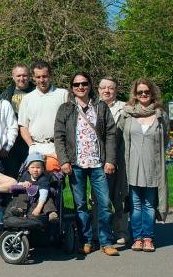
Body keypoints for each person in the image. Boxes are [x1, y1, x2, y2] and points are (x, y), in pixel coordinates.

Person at [54, 72, 119, 256]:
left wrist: (110, 160)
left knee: (105, 204)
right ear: (72, 88)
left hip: (99, 163)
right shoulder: (65, 109)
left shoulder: (100, 107)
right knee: (80, 205)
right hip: (76, 164)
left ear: (90, 86)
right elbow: (59, 137)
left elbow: (111, 134)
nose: (80, 87)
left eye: (84, 84)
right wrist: (64, 160)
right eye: (76, 85)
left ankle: (106, 241)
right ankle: (86, 240)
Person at [119, 78, 169, 252]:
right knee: (135, 204)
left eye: (146, 92)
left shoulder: (160, 115)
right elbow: (121, 138)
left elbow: (165, 139)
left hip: (152, 167)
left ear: (152, 93)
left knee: (149, 204)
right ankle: (137, 238)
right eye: (140, 92)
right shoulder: (128, 114)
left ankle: (148, 237)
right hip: (132, 167)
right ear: (135, 94)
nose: (143, 95)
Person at [91, 77, 128, 245]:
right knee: (98, 198)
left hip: (120, 158)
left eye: (110, 88)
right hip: (97, 159)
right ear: (98, 90)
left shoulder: (125, 109)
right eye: (103, 87)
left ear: (116, 90)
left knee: (118, 195)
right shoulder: (91, 107)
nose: (106, 91)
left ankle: (120, 230)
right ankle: (99, 231)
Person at [18, 60, 68, 170]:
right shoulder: (27, 99)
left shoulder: (63, 94)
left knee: (56, 183)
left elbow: (69, 122)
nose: (42, 80)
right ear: (34, 78)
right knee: (35, 184)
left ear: (50, 76)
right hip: (36, 147)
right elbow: (23, 126)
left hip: (57, 146)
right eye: (38, 77)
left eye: (45, 76)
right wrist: (31, 145)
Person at [0, 63, 36, 178]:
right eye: (18, 75)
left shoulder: (37, 92)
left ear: (29, 76)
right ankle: (13, 196)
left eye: (25, 75)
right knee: (11, 174)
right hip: (13, 141)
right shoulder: (5, 95)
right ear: (13, 76)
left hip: (31, 139)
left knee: (32, 172)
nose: (21, 78)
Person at [12, 152, 58, 222]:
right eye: (32, 167)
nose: (35, 170)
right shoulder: (25, 175)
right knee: (22, 195)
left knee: (48, 200)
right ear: (28, 169)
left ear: (43, 169)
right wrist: (23, 183)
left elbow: (43, 194)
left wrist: (38, 208)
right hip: (28, 197)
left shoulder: (43, 178)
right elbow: (18, 185)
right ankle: (20, 209)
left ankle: (51, 213)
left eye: (38, 168)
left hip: (40, 199)